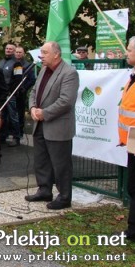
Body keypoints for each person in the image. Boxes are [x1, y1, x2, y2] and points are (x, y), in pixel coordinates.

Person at [25, 41, 79, 210]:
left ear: (56, 54)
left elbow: (66, 101)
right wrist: (33, 107)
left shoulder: (69, 73)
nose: (41, 55)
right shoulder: (43, 70)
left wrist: (44, 113)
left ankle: (64, 197)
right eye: (41, 52)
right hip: (40, 123)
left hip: (57, 125)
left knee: (60, 164)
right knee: (41, 160)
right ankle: (44, 190)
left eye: (45, 52)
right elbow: (34, 91)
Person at [118, 35, 135, 243]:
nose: (127, 52)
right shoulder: (134, 76)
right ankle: (134, 231)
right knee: (134, 186)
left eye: (129, 49)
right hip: (134, 139)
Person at [0, 43, 21, 147]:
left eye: (10, 49)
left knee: (13, 116)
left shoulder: (17, 63)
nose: (8, 50)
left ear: (14, 51)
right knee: (3, 116)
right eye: (7, 48)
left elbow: (18, 79)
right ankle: (3, 136)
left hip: (10, 94)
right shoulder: (2, 62)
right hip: (1, 94)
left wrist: (11, 92)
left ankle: (17, 137)